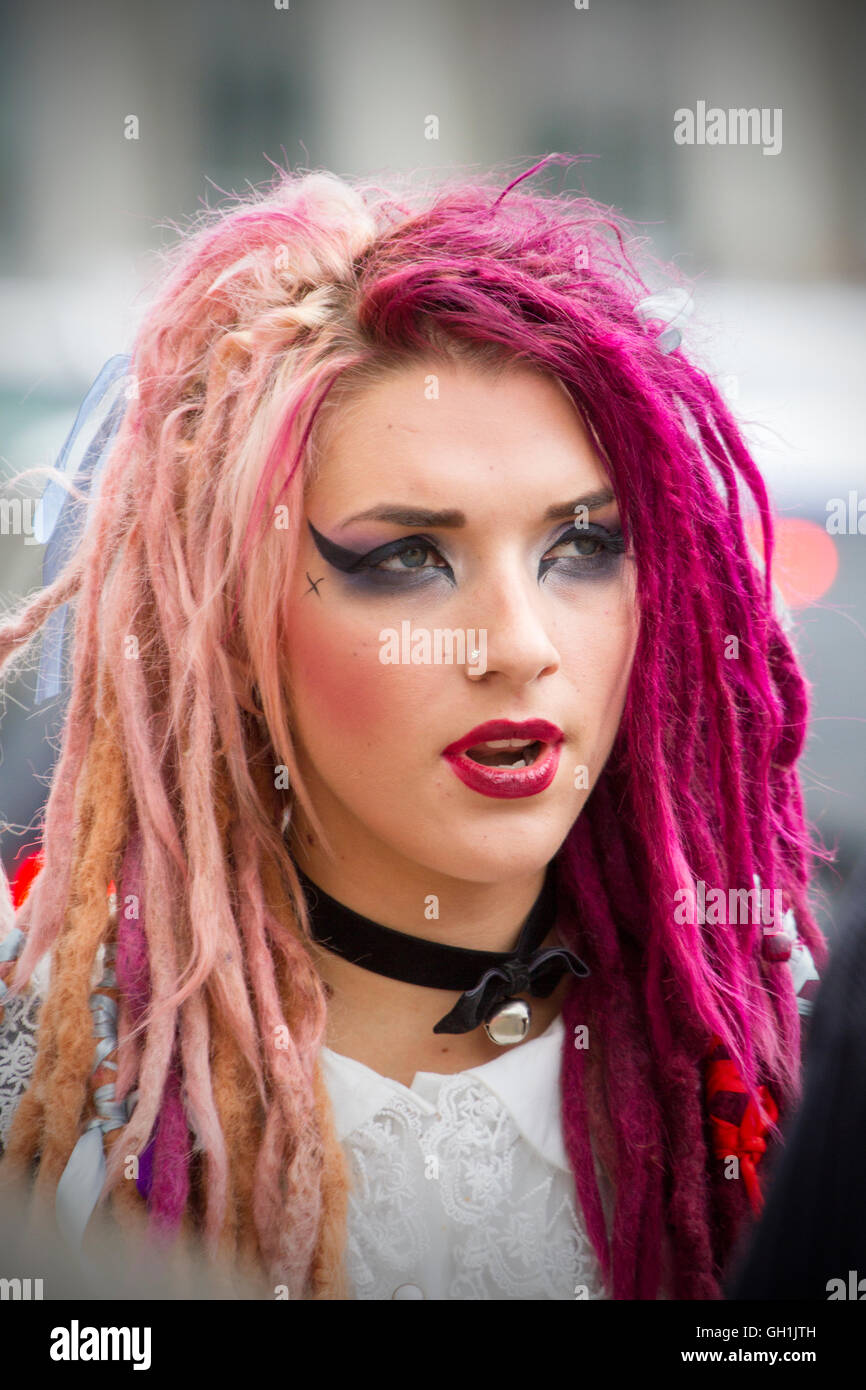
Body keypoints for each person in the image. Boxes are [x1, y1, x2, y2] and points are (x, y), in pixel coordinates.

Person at [0, 153, 828, 1301]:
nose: (518, 643)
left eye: (581, 546)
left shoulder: (770, 1056)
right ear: (229, 623)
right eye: (407, 558)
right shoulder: (42, 1092)